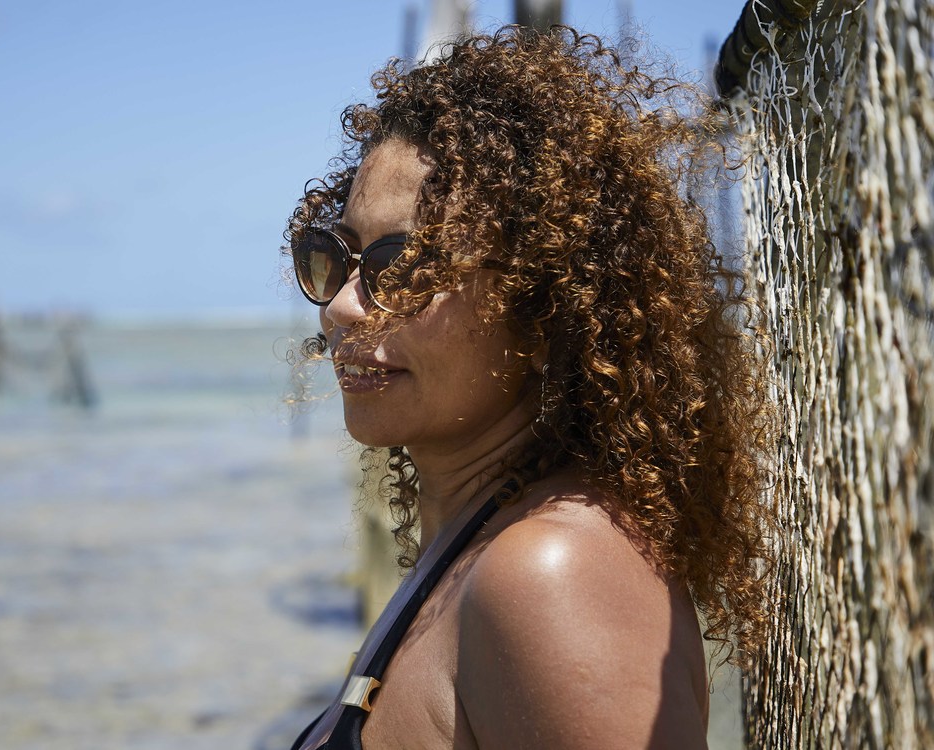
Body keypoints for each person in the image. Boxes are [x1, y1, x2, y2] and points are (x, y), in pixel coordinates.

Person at [285, 27, 773, 750]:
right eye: (337, 255)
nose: (342, 308)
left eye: (405, 265)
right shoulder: (477, 543)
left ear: (544, 311)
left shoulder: (550, 576)